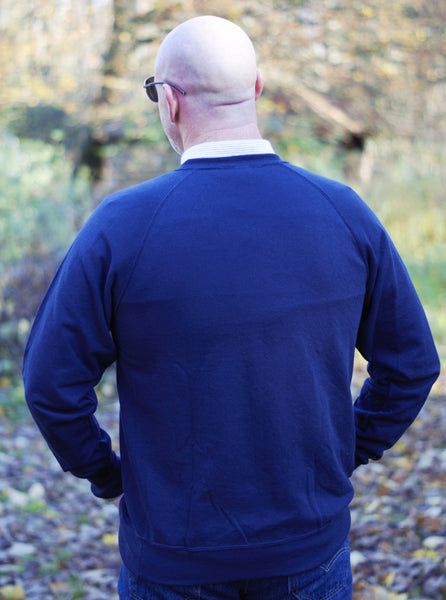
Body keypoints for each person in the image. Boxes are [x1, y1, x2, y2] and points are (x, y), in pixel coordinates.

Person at [23, 15, 440, 600]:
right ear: (257, 89)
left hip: (171, 560)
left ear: (169, 102)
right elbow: (413, 365)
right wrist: (346, 449)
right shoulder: (343, 211)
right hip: (310, 548)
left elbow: (49, 383)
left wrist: (110, 477)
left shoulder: (122, 225)